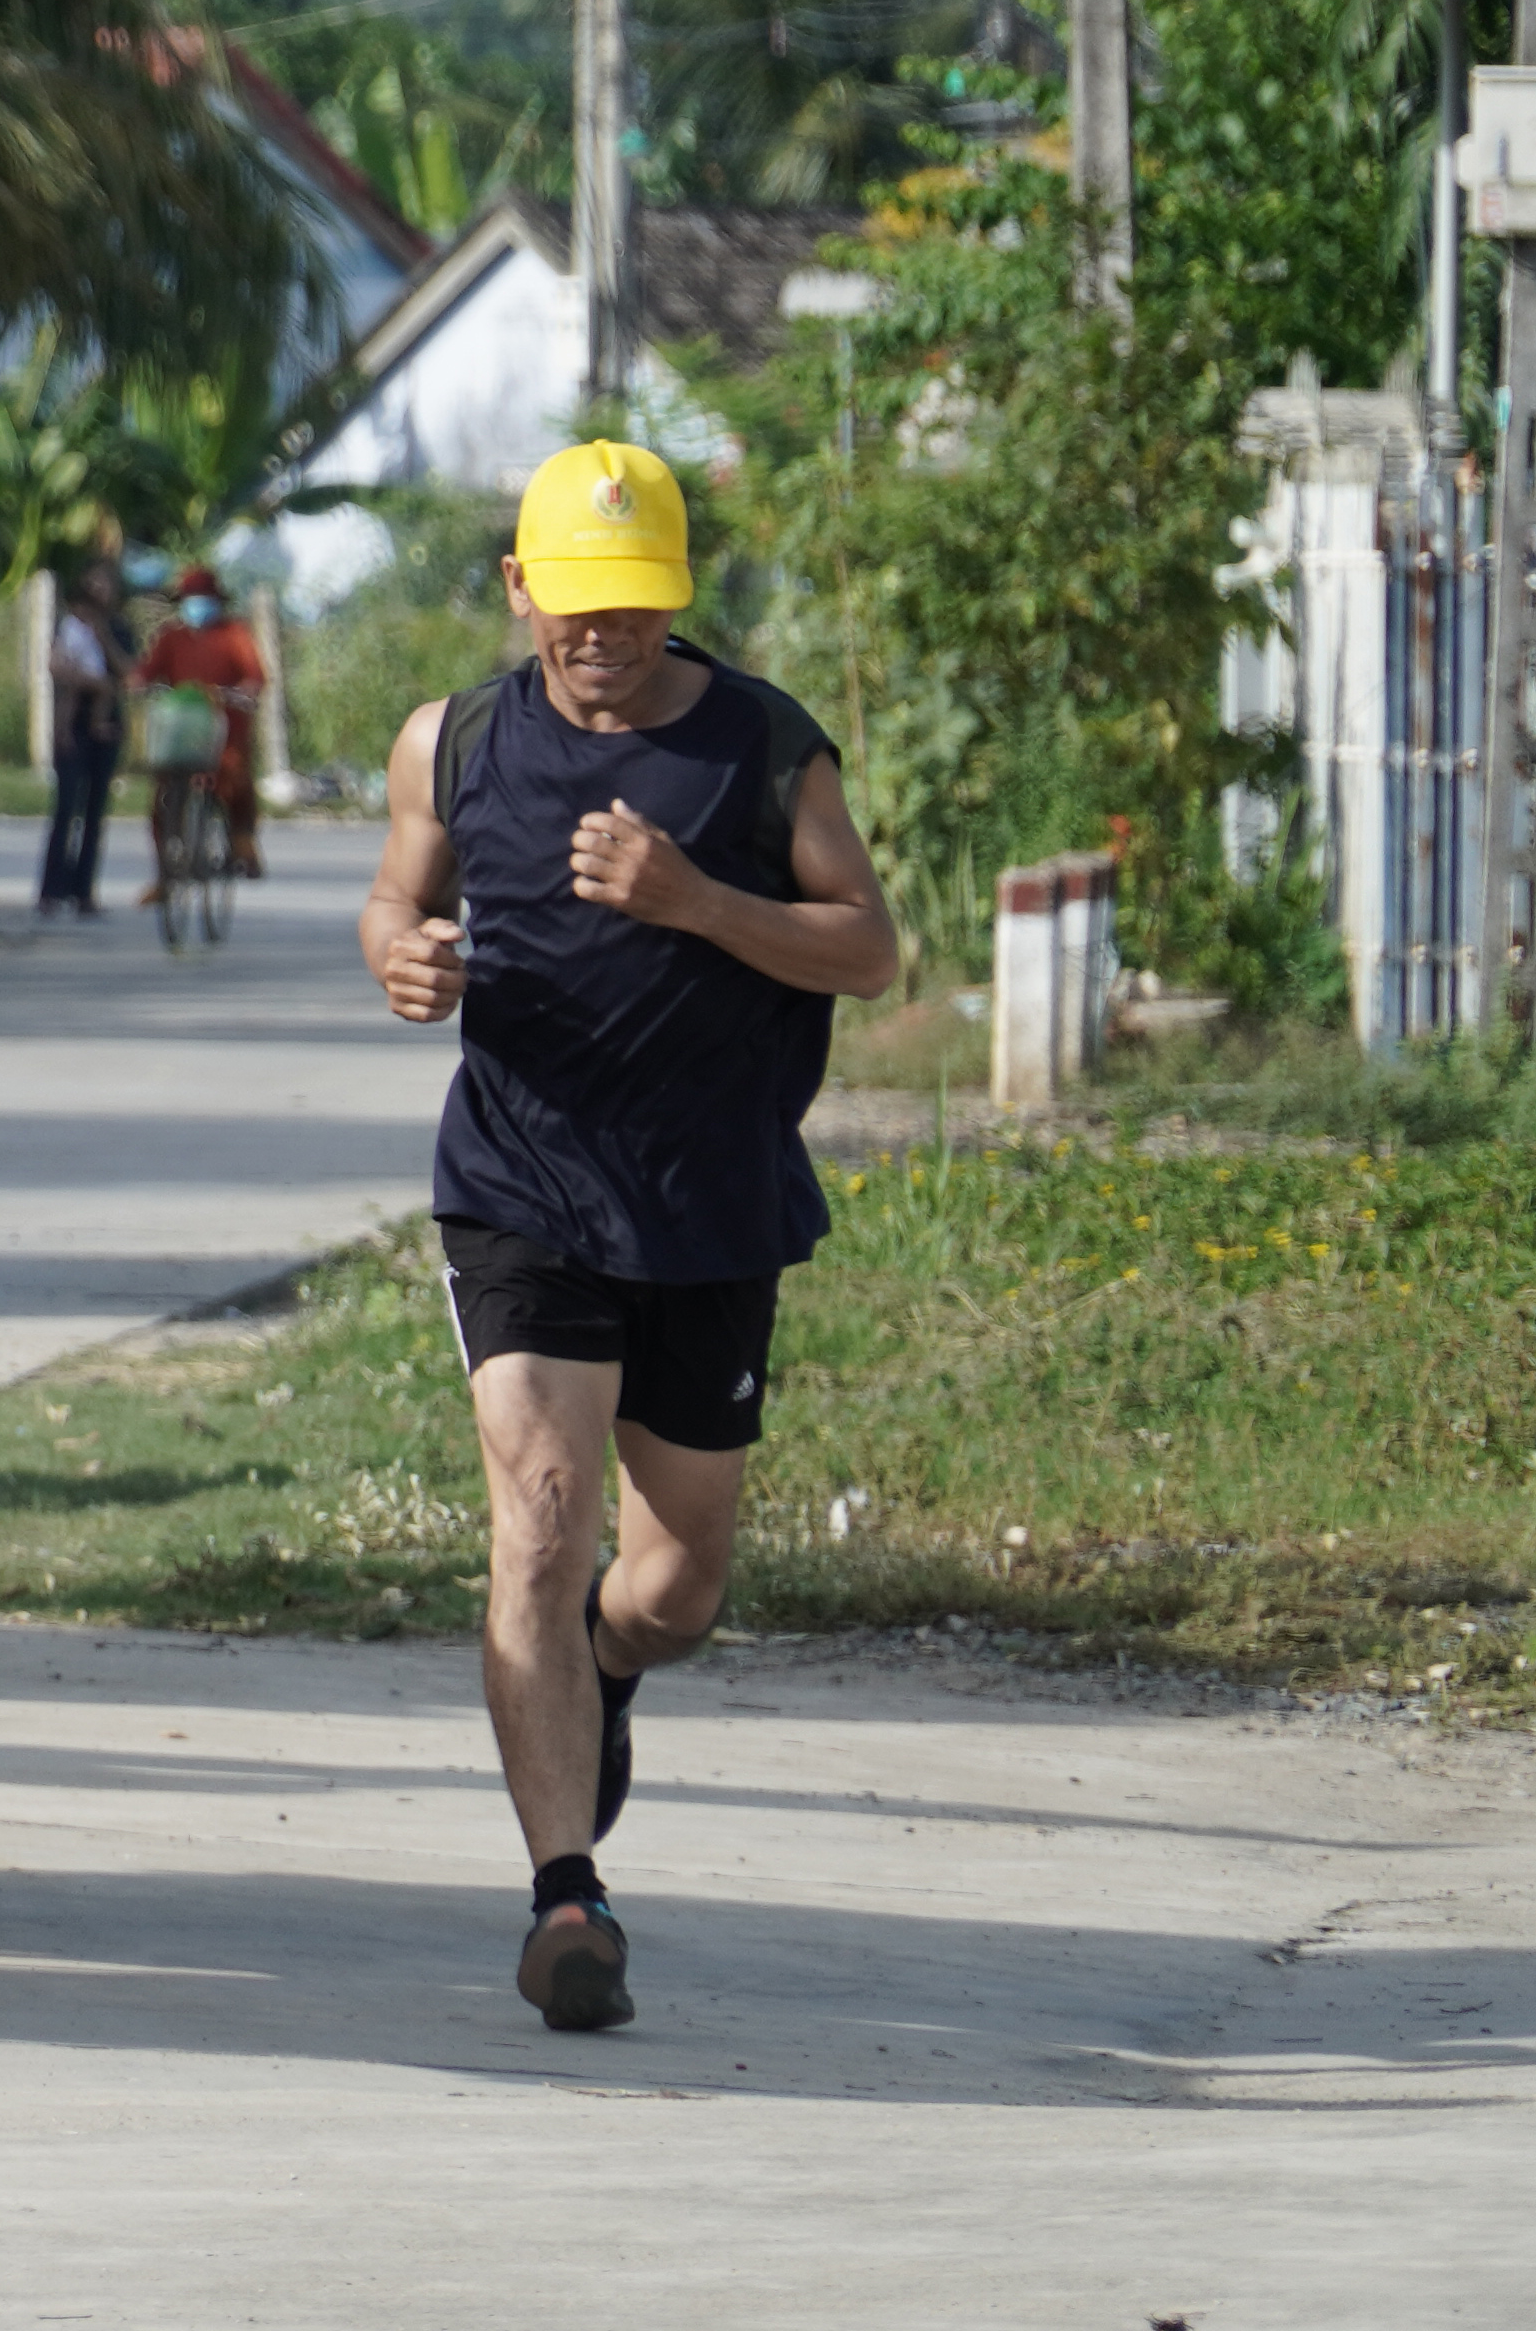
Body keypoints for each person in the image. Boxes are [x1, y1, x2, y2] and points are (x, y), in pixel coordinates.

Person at [355, 440, 898, 2036]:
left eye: (634, 607)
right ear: (521, 587)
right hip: (518, 1187)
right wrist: (401, 954)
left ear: (676, 594)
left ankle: (608, 1655)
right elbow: (393, 900)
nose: (602, 635)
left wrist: (694, 900)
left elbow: (866, 949)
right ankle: (565, 1894)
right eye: (574, 605)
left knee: (676, 1579)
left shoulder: (761, 750)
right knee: (536, 1503)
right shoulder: (449, 742)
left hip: (711, 1199)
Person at [131, 566, 269, 902]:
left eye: (203, 599)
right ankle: (164, 874)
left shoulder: (234, 633)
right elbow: (145, 672)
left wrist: (244, 692)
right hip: (181, 730)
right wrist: (138, 684)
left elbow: (254, 676)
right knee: (161, 799)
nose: (198, 605)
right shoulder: (172, 636)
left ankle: (243, 843)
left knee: (235, 777)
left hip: (224, 729)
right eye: (192, 599)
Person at [35, 562, 126, 917]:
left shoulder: (117, 628)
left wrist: (103, 636)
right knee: (65, 807)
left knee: (94, 812)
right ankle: (51, 890)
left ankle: (83, 890)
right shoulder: (68, 625)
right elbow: (56, 663)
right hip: (72, 725)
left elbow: (127, 671)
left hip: (106, 727)